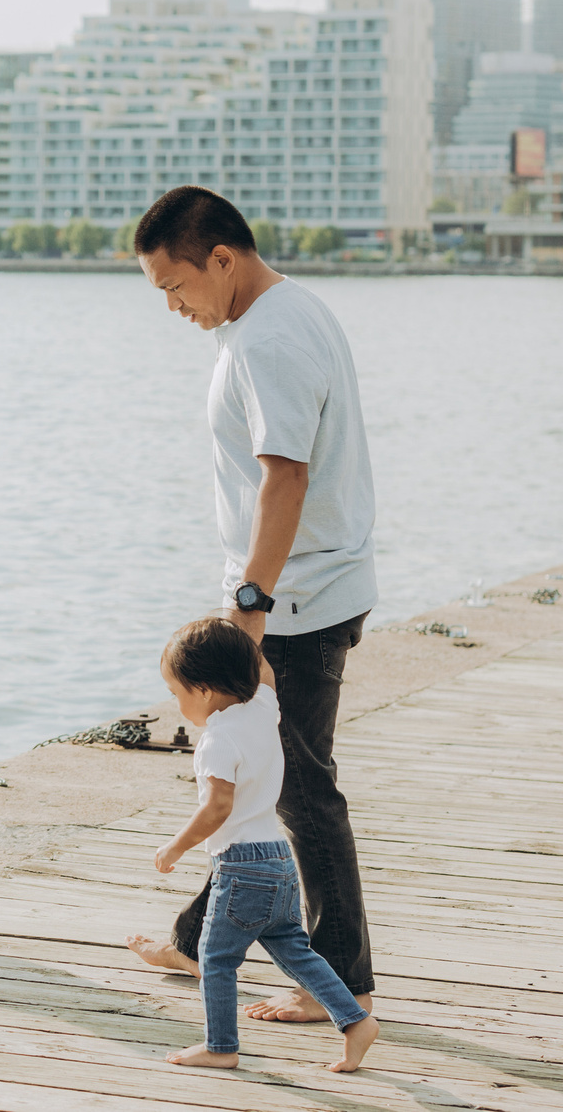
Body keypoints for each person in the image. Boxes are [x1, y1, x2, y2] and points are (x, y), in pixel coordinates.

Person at [126, 184, 377, 1025]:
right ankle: (202, 938)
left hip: (294, 601)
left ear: (222, 259)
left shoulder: (269, 338)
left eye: (175, 285)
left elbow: (286, 476)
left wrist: (249, 606)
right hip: (304, 587)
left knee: (302, 792)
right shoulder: (283, 315)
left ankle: (339, 979)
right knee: (264, 777)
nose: (172, 305)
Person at [152, 617, 379, 1073]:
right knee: (298, 954)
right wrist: (238, 637)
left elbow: (217, 808)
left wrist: (175, 847)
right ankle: (355, 1020)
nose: (177, 705)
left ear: (203, 690)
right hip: (279, 861)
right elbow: (265, 671)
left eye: (177, 694)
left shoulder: (216, 739)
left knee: (216, 961)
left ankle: (221, 1046)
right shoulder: (262, 706)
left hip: (240, 869)